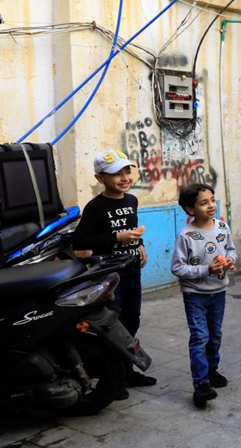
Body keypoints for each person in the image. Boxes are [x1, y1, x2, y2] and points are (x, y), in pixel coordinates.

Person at [72, 150, 156, 400]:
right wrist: (115, 238)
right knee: (111, 327)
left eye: (126, 171)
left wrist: (140, 246)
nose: (123, 178)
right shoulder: (96, 207)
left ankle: (128, 372)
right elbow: (81, 241)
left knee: (131, 322)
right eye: (115, 174)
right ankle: (114, 380)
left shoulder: (131, 201)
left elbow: (132, 231)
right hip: (110, 277)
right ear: (100, 178)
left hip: (131, 272)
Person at [171, 184, 237, 407]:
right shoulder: (186, 235)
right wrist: (206, 270)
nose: (211, 205)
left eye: (212, 199)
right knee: (199, 336)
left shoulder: (222, 227)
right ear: (190, 209)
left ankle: (212, 370)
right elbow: (177, 268)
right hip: (195, 294)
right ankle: (201, 385)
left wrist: (229, 261)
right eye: (203, 202)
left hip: (218, 291)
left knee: (215, 334)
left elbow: (230, 249)